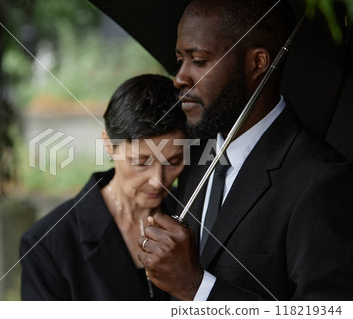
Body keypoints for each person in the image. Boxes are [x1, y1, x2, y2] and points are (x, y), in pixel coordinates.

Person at [138, 0, 353, 300]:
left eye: (198, 60)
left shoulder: (320, 182)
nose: (180, 78)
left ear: (257, 64)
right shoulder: (197, 155)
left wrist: (196, 287)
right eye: (180, 60)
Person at [20, 74, 187, 300]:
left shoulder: (195, 215)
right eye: (140, 162)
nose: (158, 180)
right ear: (108, 143)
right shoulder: (48, 244)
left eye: (174, 161)